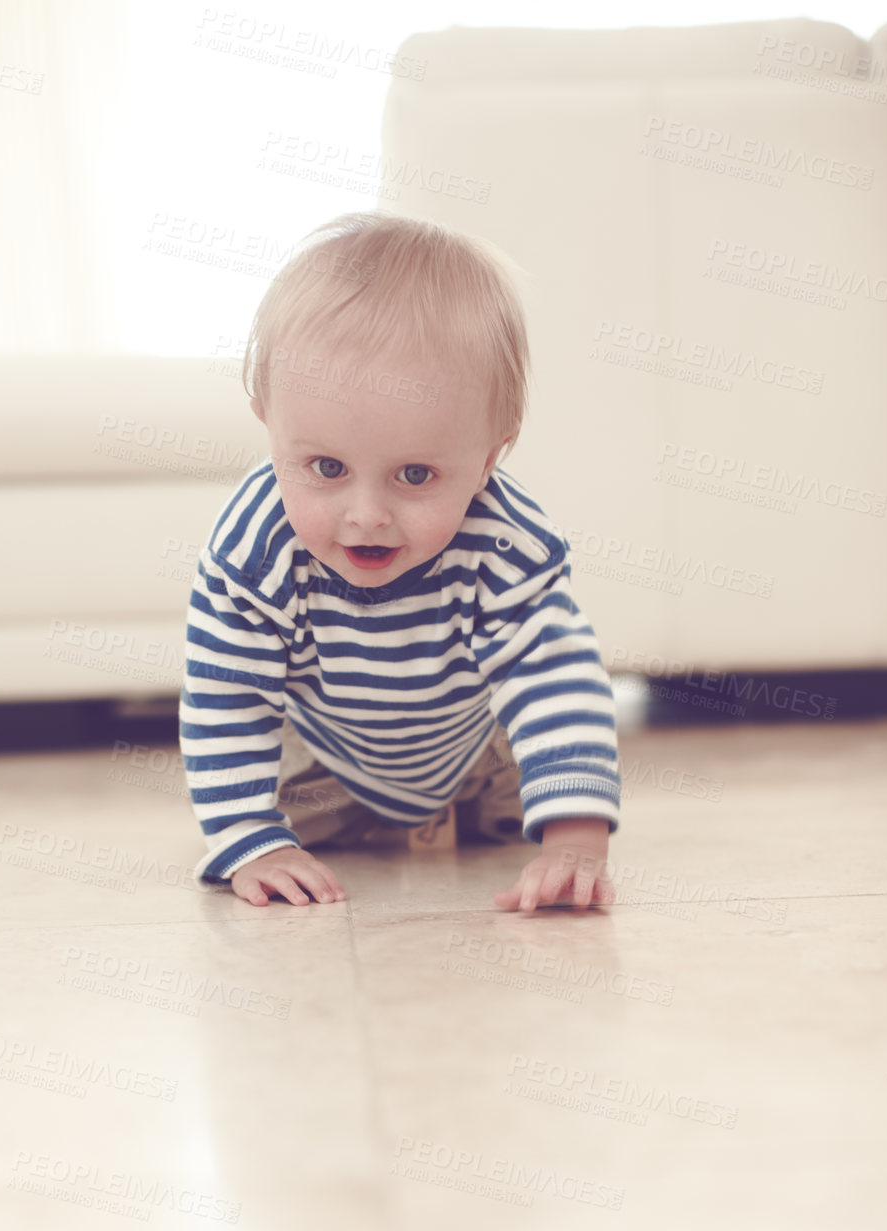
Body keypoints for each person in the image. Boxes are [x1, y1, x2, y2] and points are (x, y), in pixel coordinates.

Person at [179, 211, 620, 913]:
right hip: (326, 759)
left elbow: (551, 676)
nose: (366, 514)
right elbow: (229, 694)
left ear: (489, 458)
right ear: (268, 420)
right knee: (285, 808)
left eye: (415, 476)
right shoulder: (254, 547)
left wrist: (574, 840)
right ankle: (361, 820)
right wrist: (250, 838)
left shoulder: (507, 543)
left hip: (473, 752)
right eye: (325, 467)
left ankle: (444, 814)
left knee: (529, 760)